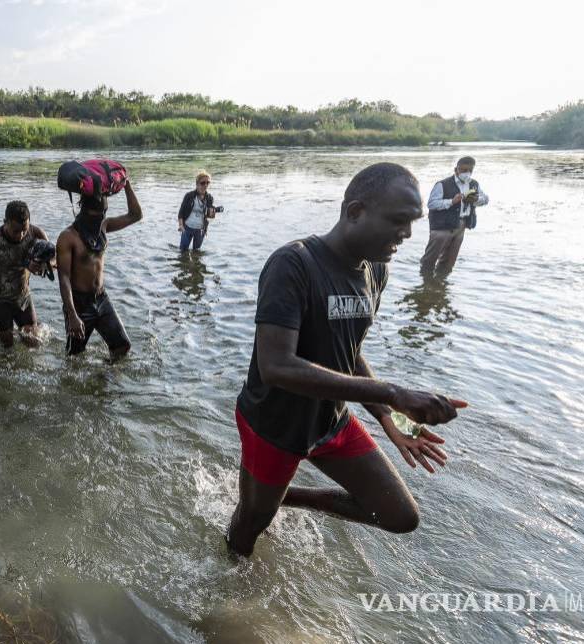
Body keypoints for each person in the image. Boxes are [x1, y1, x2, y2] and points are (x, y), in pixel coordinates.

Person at [224, 163, 467, 558]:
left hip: (331, 421)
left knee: (400, 515)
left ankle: (282, 496)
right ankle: (235, 566)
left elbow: (348, 353)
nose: (406, 235)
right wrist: (392, 392)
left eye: (413, 223)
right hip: (275, 424)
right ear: (355, 211)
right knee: (249, 530)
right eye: (398, 221)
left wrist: (392, 418)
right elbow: (276, 365)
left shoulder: (376, 270)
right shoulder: (294, 263)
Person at [56, 180, 143, 360]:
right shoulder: (68, 237)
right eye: (95, 216)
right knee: (74, 359)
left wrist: (126, 185)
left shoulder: (103, 226)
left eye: (103, 214)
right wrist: (72, 315)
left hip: (101, 298)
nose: (99, 219)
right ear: (84, 211)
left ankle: (105, 379)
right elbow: (63, 278)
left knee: (122, 347)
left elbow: (135, 215)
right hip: (79, 304)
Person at [0, 200, 49, 348]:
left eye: (24, 230)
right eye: (15, 231)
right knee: (7, 348)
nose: (20, 235)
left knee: (34, 343)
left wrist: (42, 264)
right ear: (5, 222)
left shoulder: (36, 234)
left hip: (23, 298)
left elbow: (55, 260)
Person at [419, 156, 489, 279]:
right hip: (441, 226)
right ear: (456, 169)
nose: (466, 173)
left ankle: (441, 284)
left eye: (470, 171)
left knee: (449, 261)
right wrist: (451, 201)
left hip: (461, 225)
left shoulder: (474, 184)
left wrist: (476, 199)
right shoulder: (442, 184)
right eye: (463, 170)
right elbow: (431, 204)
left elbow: (485, 199)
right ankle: (425, 281)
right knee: (430, 259)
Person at [177, 171, 219, 251]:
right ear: (197, 184)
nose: (205, 185)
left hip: (200, 229)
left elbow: (209, 216)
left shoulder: (209, 198)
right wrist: (181, 226)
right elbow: (181, 213)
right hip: (187, 228)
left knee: (197, 252)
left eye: (208, 183)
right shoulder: (189, 196)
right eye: (203, 183)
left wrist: (212, 214)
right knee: (183, 251)